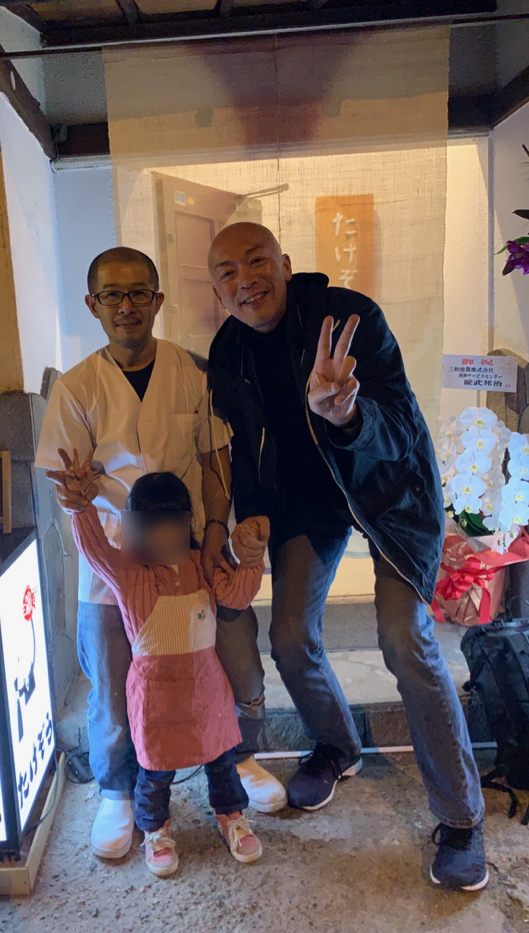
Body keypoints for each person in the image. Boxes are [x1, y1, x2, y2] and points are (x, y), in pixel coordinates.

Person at [206, 222, 487, 892]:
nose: (245, 280)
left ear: (285, 263)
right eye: (227, 272)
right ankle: (336, 744)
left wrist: (347, 417)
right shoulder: (228, 349)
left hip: (390, 495)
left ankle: (460, 819)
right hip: (307, 507)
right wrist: (251, 513)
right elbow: (243, 445)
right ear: (216, 290)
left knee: (403, 637)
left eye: (256, 261)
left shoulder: (349, 317)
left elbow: (403, 427)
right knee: (289, 636)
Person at [35, 246, 285, 861]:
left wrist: (218, 530)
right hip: (115, 559)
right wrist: (77, 497)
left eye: (139, 293)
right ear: (93, 305)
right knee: (112, 681)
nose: (126, 306)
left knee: (236, 656)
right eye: (112, 295)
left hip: (190, 546)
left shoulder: (190, 371)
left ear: (158, 300)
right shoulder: (76, 388)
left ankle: (239, 755)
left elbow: (214, 458)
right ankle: (118, 789)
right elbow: (67, 479)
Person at [59, 455, 268, 876]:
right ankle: (155, 828)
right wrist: (81, 508)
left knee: (222, 760)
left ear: (186, 522)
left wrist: (251, 559)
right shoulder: (128, 574)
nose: (163, 533)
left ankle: (232, 815)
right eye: (152, 523)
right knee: (155, 772)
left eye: (172, 522)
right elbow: (95, 550)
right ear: (135, 527)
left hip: (208, 691)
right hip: (155, 699)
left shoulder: (200, 566)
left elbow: (237, 596)